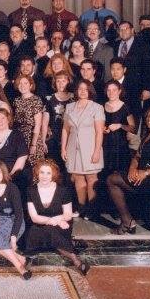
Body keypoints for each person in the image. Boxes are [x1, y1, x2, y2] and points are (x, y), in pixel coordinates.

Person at [106, 106, 150, 234]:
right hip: (143, 175)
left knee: (112, 180)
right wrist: (132, 169)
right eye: (148, 116)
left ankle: (127, 221)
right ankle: (128, 220)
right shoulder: (149, 134)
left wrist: (145, 173)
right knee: (115, 176)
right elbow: (137, 156)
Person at [25, 159, 90, 275]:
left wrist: (57, 221)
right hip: (41, 223)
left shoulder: (63, 190)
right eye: (42, 172)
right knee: (36, 230)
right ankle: (76, 259)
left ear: (53, 175)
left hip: (62, 224)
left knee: (39, 232)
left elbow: (68, 215)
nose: (44, 176)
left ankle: (28, 262)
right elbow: (34, 217)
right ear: (37, 173)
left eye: (48, 173)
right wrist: (52, 221)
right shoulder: (31, 190)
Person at [61, 79, 105, 219]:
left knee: (92, 178)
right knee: (78, 178)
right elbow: (65, 130)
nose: (82, 91)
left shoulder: (97, 107)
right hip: (73, 148)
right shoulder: (70, 107)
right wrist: (63, 148)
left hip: (91, 148)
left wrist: (97, 151)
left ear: (90, 91)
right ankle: (82, 207)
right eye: (80, 89)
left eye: (86, 89)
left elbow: (99, 132)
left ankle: (92, 210)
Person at [0, 108, 28, 180]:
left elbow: (22, 157)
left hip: (13, 176)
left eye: (3, 118)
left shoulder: (17, 135)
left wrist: (10, 176)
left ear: (8, 120)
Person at [43, 71, 74, 170]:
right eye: (58, 81)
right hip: (53, 137)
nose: (61, 84)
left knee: (68, 167)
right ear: (54, 83)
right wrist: (43, 140)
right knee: (53, 166)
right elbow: (45, 121)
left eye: (63, 81)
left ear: (68, 82)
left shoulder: (74, 97)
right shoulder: (49, 98)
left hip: (70, 136)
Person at [13, 75, 46, 166]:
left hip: (32, 136)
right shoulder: (17, 100)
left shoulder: (36, 100)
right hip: (19, 136)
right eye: (20, 83)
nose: (22, 85)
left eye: (25, 83)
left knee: (34, 166)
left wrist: (33, 144)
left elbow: (38, 124)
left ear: (31, 85)